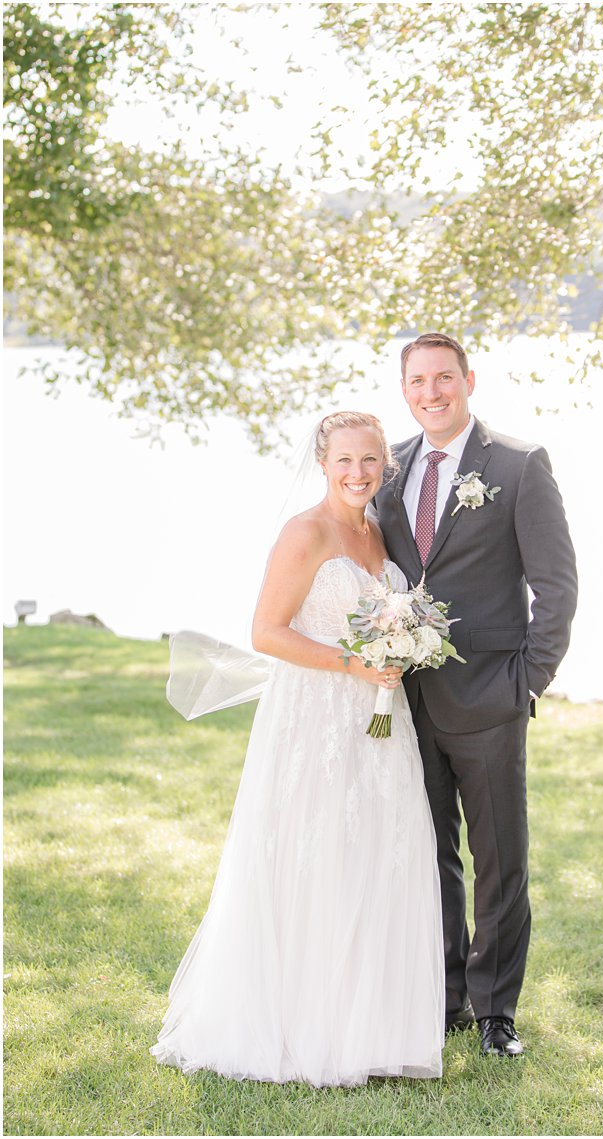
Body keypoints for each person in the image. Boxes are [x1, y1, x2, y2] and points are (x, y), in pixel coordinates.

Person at [153, 412, 444, 1087]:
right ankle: (301, 1026)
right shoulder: (305, 532)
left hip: (380, 718)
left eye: (370, 460)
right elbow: (266, 630)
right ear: (323, 462)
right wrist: (351, 663)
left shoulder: (376, 531)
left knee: (379, 856)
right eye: (345, 460)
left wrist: (400, 650)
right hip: (315, 719)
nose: (358, 472)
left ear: (385, 464)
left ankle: (370, 1028)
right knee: (316, 857)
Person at [375, 331, 577, 1059]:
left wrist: (528, 679)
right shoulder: (386, 468)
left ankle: (496, 1012)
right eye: (417, 381)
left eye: (443, 378)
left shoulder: (519, 466)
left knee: (499, 858)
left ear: (468, 379)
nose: (431, 392)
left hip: (490, 694)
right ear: (405, 389)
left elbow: (556, 587)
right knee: (428, 853)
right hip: (405, 698)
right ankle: (446, 996)